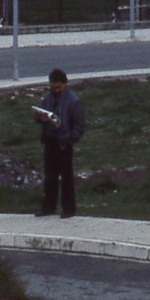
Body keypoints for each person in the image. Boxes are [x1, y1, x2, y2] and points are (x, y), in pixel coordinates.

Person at [35, 68, 86, 218]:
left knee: (66, 177)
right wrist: (40, 118)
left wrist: (70, 139)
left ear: (65, 84)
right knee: (50, 177)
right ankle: (48, 207)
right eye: (54, 87)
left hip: (64, 143)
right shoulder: (48, 99)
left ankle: (68, 209)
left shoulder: (74, 101)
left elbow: (79, 125)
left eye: (59, 87)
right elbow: (42, 117)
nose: (56, 90)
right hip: (50, 141)